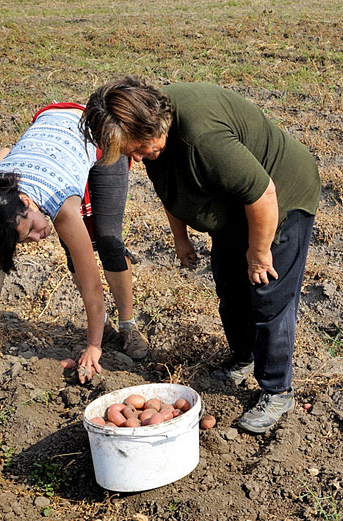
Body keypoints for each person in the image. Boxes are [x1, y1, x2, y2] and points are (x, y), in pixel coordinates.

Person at [81, 78, 320, 434]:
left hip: (279, 197)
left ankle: (277, 390)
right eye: (131, 153)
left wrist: (258, 253)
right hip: (236, 205)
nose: (135, 158)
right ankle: (243, 358)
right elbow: (169, 189)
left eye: (137, 150)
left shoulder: (202, 140)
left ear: (151, 127)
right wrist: (181, 238)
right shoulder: (153, 141)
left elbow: (263, 194)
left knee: (269, 297)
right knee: (230, 284)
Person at [0, 102, 149, 382]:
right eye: (25, 238)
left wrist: (93, 347)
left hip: (97, 131)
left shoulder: (60, 203)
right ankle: (103, 325)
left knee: (107, 238)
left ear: (26, 200)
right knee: (72, 248)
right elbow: (3, 152)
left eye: (30, 227)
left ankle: (128, 325)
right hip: (52, 133)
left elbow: (92, 286)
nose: (36, 237)